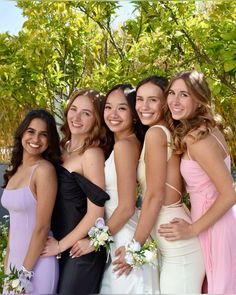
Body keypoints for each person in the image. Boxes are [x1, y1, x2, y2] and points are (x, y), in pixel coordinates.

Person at [114, 76, 205, 294]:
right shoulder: (165, 132)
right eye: (140, 99)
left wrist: (133, 247)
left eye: (152, 100)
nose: (143, 107)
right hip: (173, 241)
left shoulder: (156, 134)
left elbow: (154, 195)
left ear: (165, 103)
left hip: (179, 250)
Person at [158, 70, 236, 294]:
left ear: (199, 99)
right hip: (218, 221)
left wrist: (192, 229)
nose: (174, 100)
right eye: (172, 93)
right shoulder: (207, 131)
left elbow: (230, 194)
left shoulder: (197, 140)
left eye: (184, 94)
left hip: (214, 226)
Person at [41, 89, 110, 294]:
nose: (77, 117)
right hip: (55, 242)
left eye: (87, 113)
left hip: (78, 250)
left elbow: (96, 213)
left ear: (97, 121)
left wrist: (61, 246)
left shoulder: (92, 154)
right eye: (74, 109)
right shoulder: (62, 147)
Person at [1, 109, 61, 294]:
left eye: (43, 134)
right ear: (22, 133)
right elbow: (15, 221)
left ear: (50, 140)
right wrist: (7, 264)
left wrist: (24, 274)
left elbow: (42, 227)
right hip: (14, 263)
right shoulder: (17, 169)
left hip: (37, 266)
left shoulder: (44, 170)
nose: (36, 139)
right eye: (31, 131)